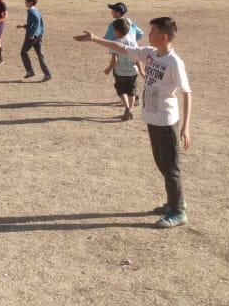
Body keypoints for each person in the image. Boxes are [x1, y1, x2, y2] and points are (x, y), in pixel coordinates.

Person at [74, 17, 192, 228]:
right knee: (161, 163)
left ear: (163, 37)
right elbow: (120, 48)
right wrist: (95, 39)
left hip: (166, 121)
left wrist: (185, 126)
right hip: (152, 119)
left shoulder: (174, 62)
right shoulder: (151, 53)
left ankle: (178, 210)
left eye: (153, 31)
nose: (149, 34)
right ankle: (174, 202)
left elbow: (187, 93)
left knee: (171, 166)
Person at [104, 18, 139, 121]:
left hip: (120, 72)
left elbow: (114, 59)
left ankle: (127, 107)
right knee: (131, 92)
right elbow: (137, 56)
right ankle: (131, 109)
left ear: (117, 31)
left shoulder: (115, 42)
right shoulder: (133, 40)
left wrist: (109, 68)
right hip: (133, 71)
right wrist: (141, 70)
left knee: (121, 91)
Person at [16, 0, 52, 81]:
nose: (25, 3)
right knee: (40, 55)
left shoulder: (30, 11)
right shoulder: (37, 10)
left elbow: (33, 25)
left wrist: (31, 34)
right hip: (38, 36)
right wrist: (23, 26)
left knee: (23, 52)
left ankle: (30, 71)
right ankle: (47, 74)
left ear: (31, 2)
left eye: (26, 1)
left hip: (31, 37)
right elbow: (38, 23)